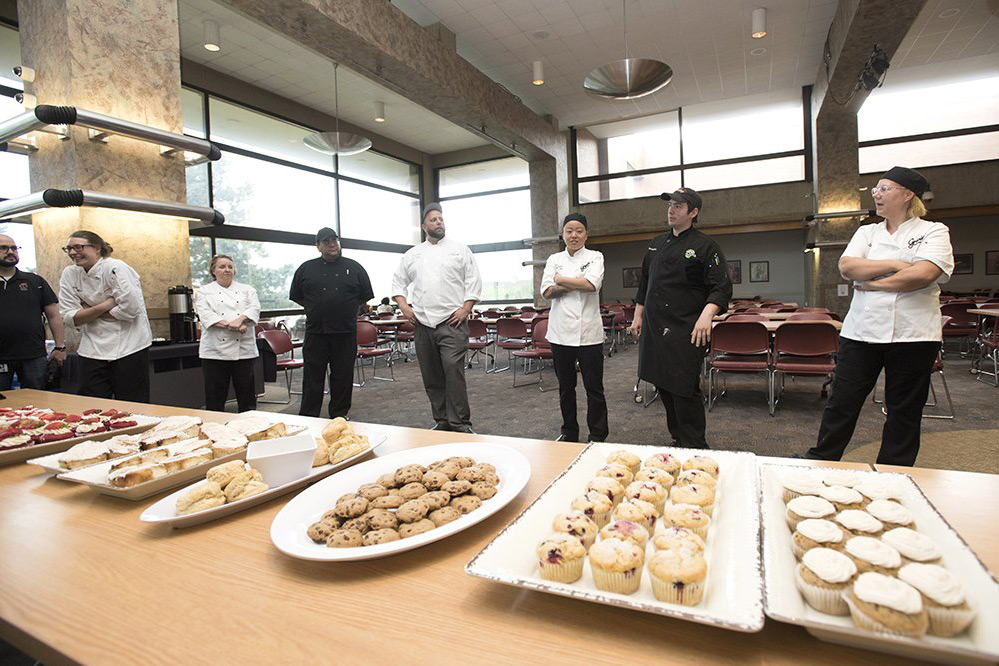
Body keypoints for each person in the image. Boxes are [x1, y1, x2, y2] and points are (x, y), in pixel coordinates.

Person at [805, 166, 953, 466]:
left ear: (908, 194)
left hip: (914, 335)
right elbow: (848, 268)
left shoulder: (933, 231)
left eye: (885, 188)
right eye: (876, 189)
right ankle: (823, 459)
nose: (876, 193)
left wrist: (872, 284)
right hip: (860, 333)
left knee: (904, 410)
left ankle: (894, 469)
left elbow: (924, 274)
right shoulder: (866, 232)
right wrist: (900, 265)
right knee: (842, 402)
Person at [628, 188, 732, 449]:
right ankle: (677, 438)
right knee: (662, 383)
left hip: (687, 328)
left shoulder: (706, 246)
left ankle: (696, 444)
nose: (671, 210)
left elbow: (721, 287)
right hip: (655, 328)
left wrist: (706, 316)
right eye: (670, 205)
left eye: (678, 206)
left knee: (683, 387)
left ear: (693, 212)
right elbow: (645, 285)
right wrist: (638, 316)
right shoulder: (656, 243)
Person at [392, 202, 481, 433]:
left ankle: (460, 422)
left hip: (452, 322)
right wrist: (404, 307)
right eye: (433, 219)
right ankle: (442, 420)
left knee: (453, 372)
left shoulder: (460, 249)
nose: (438, 222)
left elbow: (473, 281)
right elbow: (398, 283)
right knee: (431, 375)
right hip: (422, 323)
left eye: (440, 218)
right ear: (424, 226)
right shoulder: (412, 254)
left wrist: (466, 308)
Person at [58, 230, 152, 402]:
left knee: (133, 406)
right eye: (69, 248)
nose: (73, 253)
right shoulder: (69, 274)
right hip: (92, 349)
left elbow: (130, 311)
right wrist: (107, 304)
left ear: (97, 248)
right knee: (91, 407)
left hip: (129, 347)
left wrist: (88, 309)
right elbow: (69, 318)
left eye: (78, 247)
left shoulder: (116, 268)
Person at [290, 227, 373, 419]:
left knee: (343, 376)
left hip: (345, 332)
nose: (332, 244)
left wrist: (342, 308)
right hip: (316, 332)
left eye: (334, 240)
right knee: (313, 377)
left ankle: (339, 415)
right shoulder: (305, 268)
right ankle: (309, 415)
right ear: (318, 246)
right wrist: (317, 308)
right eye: (326, 241)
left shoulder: (354, 267)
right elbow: (297, 296)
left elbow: (364, 296)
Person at [541, 213, 608, 443]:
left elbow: (591, 285)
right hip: (560, 333)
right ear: (563, 234)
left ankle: (598, 434)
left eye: (579, 230)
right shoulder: (554, 259)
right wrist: (574, 281)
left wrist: (561, 280)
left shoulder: (595, 256)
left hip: (589, 333)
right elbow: (547, 292)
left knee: (594, 388)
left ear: (586, 234)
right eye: (569, 230)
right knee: (565, 388)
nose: (574, 235)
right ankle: (569, 431)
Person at [194, 254, 261, 413]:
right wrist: (235, 325)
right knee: (215, 397)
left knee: (247, 397)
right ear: (213, 271)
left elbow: (254, 309)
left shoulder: (247, 290)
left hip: (243, 350)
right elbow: (206, 315)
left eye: (230, 267)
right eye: (222, 267)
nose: (227, 270)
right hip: (215, 352)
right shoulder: (204, 291)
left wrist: (241, 319)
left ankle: (250, 426)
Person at [0, 234, 67, 390]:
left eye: (14, 248)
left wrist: (60, 347)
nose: (10, 251)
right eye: (3, 248)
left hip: (33, 356)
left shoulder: (35, 281)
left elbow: (53, 315)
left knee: (38, 402)